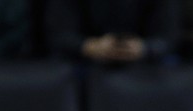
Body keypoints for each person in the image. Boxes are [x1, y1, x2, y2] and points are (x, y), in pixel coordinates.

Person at [42, 0, 183, 65]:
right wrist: (89, 46)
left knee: (170, 63)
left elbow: (169, 37)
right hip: (84, 60)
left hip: (145, 60)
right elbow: (58, 35)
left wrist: (144, 48)